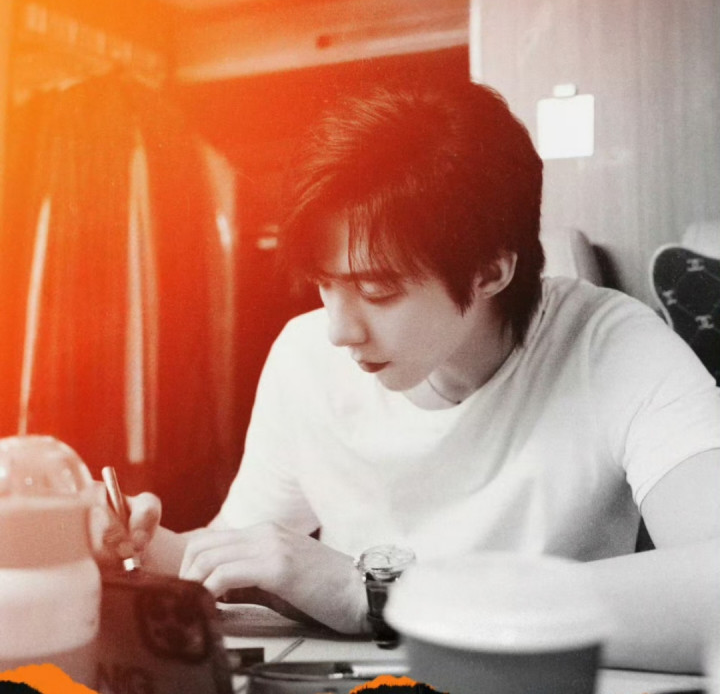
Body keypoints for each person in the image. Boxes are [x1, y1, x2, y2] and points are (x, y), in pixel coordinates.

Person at [106, 81, 720, 673]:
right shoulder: (303, 356)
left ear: (490, 272)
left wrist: (382, 594)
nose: (338, 330)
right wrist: (142, 549)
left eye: (377, 290)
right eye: (324, 284)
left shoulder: (611, 347)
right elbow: (236, 560)